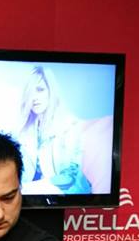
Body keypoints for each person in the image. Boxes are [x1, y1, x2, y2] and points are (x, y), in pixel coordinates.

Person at [16, 65, 111, 195]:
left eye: (40, 90)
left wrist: (33, 187)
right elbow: (21, 173)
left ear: (51, 91)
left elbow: (70, 176)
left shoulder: (69, 126)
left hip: (66, 191)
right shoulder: (24, 131)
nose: (34, 98)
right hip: (31, 195)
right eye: (30, 92)